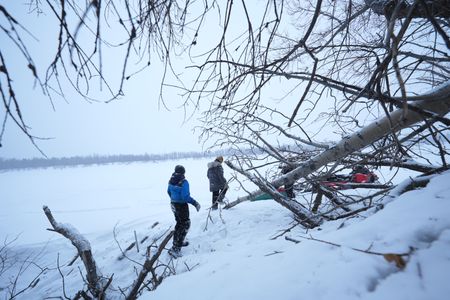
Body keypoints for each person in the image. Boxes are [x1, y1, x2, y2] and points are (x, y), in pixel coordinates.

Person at [167, 165, 201, 258]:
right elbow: (185, 197)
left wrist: (174, 199)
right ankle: (176, 249)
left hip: (173, 204)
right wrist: (195, 203)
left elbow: (168, 192)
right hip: (181, 206)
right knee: (186, 224)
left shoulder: (171, 181)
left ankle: (177, 242)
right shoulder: (184, 182)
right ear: (183, 173)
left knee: (179, 223)